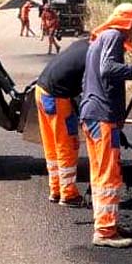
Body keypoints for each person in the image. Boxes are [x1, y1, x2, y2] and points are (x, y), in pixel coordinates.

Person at [81, 3, 132, 248]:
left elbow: (93, 80)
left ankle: (106, 224)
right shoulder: (114, 36)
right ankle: (105, 232)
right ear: (128, 24)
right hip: (101, 116)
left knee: (100, 173)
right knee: (109, 174)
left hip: (94, 114)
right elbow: (108, 70)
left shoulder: (98, 40)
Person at [35, 38, 90, 206]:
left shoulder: (82, 44)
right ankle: (68, 194)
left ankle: (56, 189)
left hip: (41, 91)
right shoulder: (95, 55)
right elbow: (90, 91)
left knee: (51, 144)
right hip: (57, 98)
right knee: (67, 144)